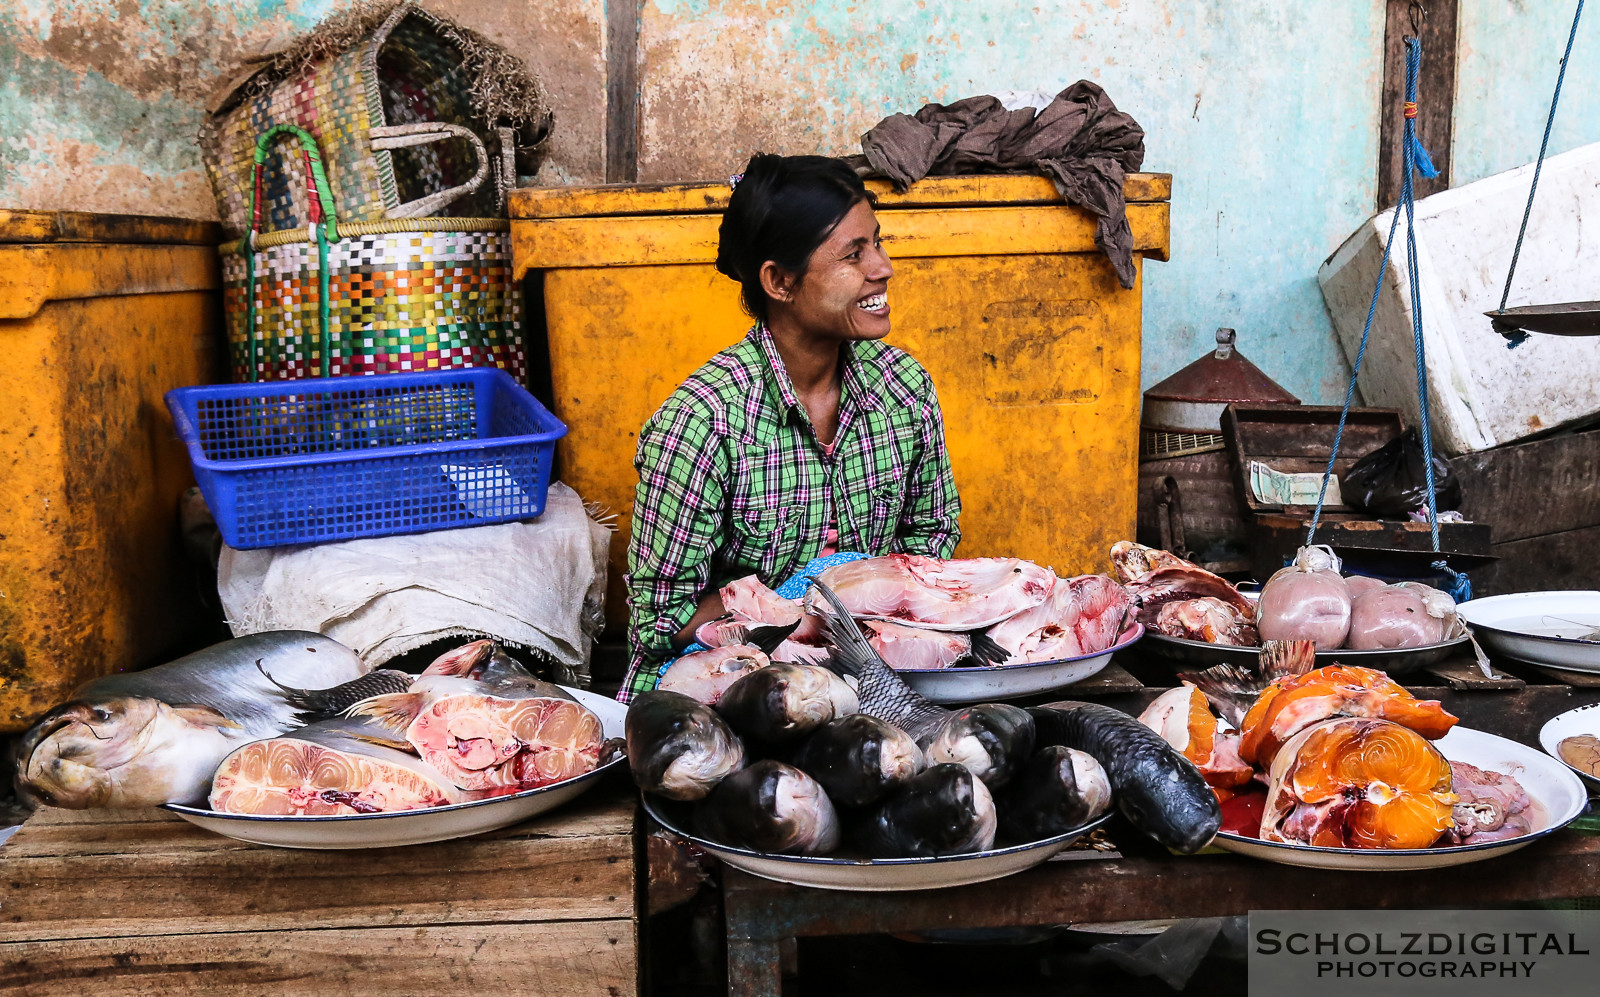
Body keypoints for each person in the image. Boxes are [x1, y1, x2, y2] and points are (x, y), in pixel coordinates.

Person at [619, 154, 961, 702]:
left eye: (877, 241)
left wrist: (860, 621)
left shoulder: (905, 389)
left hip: (869, 670)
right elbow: (661, 623)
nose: (883, 266)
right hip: (728, 684)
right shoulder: (703, 422)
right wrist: (797, 615)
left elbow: (930, 545)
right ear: (779, 281)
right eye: (853, 254)